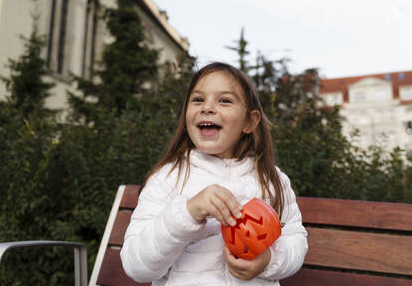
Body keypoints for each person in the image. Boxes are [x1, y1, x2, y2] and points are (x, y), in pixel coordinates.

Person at [121, 62, 308, 285]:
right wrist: (187, 212)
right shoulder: (168, 179)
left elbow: (295, 241)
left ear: (250, 121)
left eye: (225, 100)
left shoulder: (272, 180)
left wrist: (269, 260)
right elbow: (136, 267)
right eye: (198, 99)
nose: (207, 108)